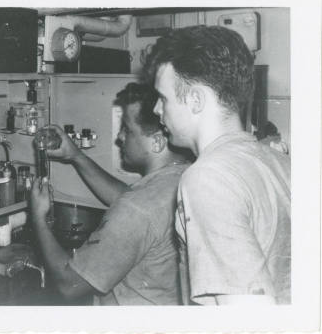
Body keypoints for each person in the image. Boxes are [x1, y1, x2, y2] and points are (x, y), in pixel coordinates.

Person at [145, 25, 291, 305]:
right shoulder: (279, 163)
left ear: (196, 100)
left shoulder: (207, 179)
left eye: (163, 98)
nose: (156, 110)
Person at [29, 83, 190, 305]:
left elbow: (69, 284)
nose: (120, 137)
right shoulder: (183, 178)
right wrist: (76, 156)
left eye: (127, 128)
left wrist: (38, 218)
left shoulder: (138, 209)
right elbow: (128, 201)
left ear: (157, 142)